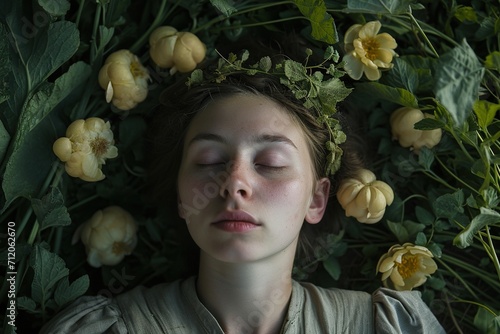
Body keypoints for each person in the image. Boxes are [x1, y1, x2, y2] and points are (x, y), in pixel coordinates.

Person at [40, 39, 446, 334]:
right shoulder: (104, 330)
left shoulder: (384, 328)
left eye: (270, 163)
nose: (234, 182)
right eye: (209, 161)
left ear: (317, 198)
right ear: (182, 196)